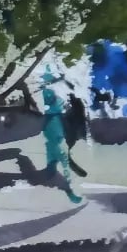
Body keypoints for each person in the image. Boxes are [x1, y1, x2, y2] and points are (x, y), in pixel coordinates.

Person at [39, 73, 82, 204]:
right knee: (63, 160)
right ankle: (70, 190)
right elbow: (52, 103)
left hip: (53, 126)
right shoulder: (48, 94)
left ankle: (51, 171)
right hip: (54, 128)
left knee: (52, 152)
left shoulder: (49, 95)